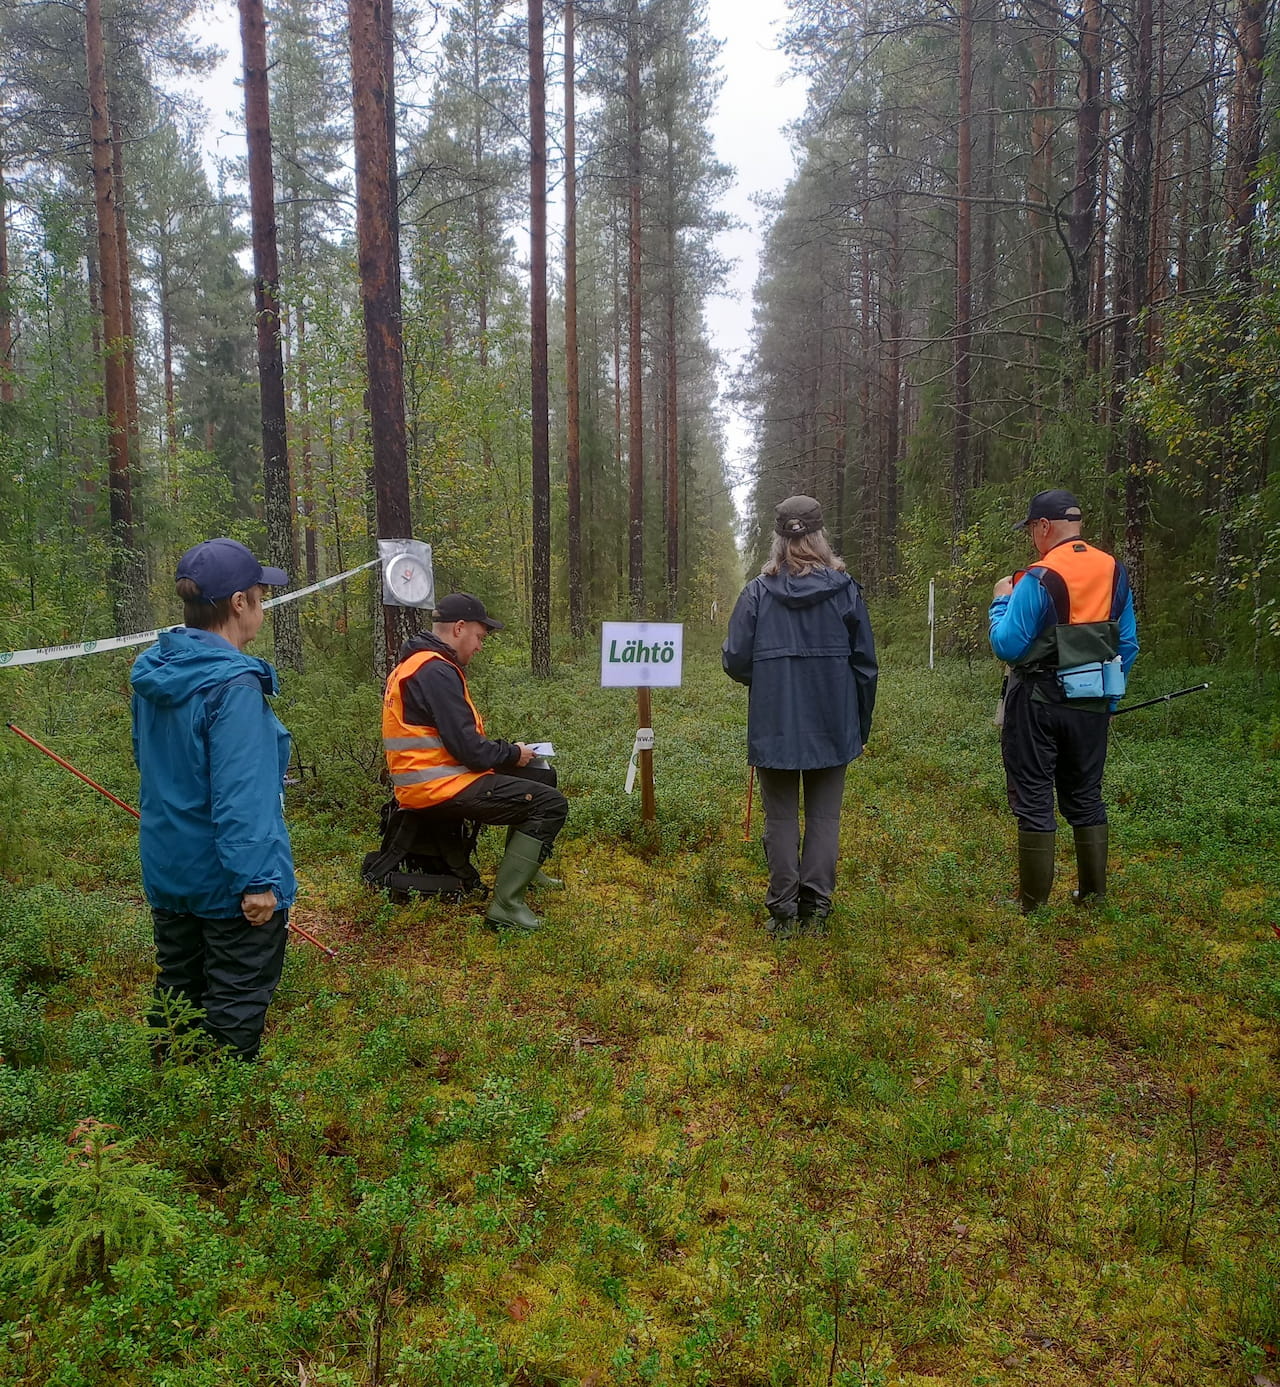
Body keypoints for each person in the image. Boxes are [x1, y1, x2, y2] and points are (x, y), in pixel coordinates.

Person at [131, 538, 296, 1061]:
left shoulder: (154, 674)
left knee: (178, 988)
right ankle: (216, 1119)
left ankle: (171, 1101)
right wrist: (258, 881)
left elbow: (149, 764)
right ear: (239, 603)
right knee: (236, 997)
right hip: (228, 881)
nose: (263, 609)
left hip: (168, 866)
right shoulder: (234, 686)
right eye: (260, 596)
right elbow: (242, 795)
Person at [723, 496, 878, 938]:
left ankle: (783, 913)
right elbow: (865, 666)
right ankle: (815, 911)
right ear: (819, 537)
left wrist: (769, 679)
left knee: (781, 818)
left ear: (779, 540)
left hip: (775, 724)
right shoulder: (845, 591)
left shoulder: (756, 592)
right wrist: (858, 727)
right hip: (834, 723)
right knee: (825, 818)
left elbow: (735, 659)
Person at [989, 489, 1139, 911]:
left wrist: (1001, 601)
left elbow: (1008, 646)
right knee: (1086, 794)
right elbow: (1126, 644)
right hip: (1092, 702)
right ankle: (1092, 896)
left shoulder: (1039, 575)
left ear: (1042, 527)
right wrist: (1108, 699)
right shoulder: (1114, 571)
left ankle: (1033, 904)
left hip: (1037, 702)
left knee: (1035, 796)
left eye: (1031, 530)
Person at [382, 592, 568, 932]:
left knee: (541, 774)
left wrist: (515, 754)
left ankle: (527, 871)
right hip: (438, 786)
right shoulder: (435, 671)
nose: (480, 646)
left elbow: (458, 743)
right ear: (459, 628)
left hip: (436, 775)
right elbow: (470, 751)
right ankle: (506, 907)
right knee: (550, 805)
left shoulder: (419, 664)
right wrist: (513, 752)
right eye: (479, 637)